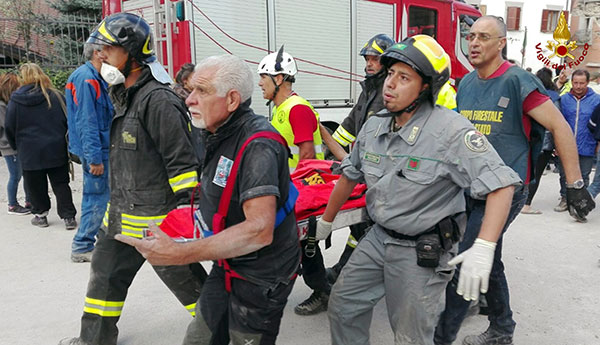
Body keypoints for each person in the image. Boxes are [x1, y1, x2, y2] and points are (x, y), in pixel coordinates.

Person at [314, 34, 521, 345]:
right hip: (378, 237)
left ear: (425, 87)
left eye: (404, 77)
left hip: (420, 251)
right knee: (343, 306)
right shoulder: (374, 127)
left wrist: (484, 247)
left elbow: (501, 186)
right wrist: (326, 222)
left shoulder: (450, 131)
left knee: (411, 336)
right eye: (390, 74)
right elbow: (350, 175)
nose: (390, 84)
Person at [117, 54, 301, 345]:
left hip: (262, 275)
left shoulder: (259, 145)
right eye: (191, 90)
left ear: (231, 100)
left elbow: (259, 230)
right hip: (228, 262)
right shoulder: (213, 131)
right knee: (199, 339)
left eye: (201, 91)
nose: (189, 100)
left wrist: (180, 254)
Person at [435, 16, 595, 345]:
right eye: (470, 36)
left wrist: (575, 185)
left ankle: (439, 339)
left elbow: (560, 128)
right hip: (471, 187)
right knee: (488, 256)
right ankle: (502, 329)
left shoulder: (517, 81)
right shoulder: (465, 84)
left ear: (501, 43)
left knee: (469, 259)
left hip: (507, 188)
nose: (474, 43)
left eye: (483, 37)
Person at [58, 13, 206, 345]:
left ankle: (228, 334)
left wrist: (183, 225)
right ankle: (93, 340)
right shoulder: (123, 95)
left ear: (132, 53)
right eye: (100, 49)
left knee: (194, 290)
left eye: (108, 49)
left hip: (158, 225)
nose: (101, 56)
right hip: (121, 218)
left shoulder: (159, 101)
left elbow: (183, 167)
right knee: (104, 279)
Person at [257, 47, 329, 315]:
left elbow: (307, 155)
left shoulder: (296, 109)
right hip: (287, 188)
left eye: (264, 77)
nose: (259, 83)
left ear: (279, 79)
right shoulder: (282, 109)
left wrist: (290, 191)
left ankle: (322, 291)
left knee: (302, 246)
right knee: (291, 245)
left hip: (300, 190)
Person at [318, 33, 395, 284]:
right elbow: (350, 126)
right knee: (359, 227)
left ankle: (350, 273)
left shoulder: (389, 92)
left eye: (375, 58)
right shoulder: (369, 90)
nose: (369, 63)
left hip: (381, 173)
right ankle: (346, 269)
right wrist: (330, 156)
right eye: (367, 58)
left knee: (368, 226)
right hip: (364, 169)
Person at [5, 63, 77, 229]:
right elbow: (67, 121)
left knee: (35, 186)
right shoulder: (54, 96)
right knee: (60, 184)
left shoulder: (16, 100)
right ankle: (68, 217)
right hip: (55, 148)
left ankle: (41, 215)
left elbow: (9, 126)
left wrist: (16, 146)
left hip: (29, 151)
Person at [64, 41, 114, 262]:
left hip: (97, 147)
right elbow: (87, 122)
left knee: (100, 196)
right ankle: (82, 245)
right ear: (97, 53)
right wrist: (94, 158)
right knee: (96, 197)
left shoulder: (91, 77)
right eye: (108, 50)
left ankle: (92, 241)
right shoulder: (87, 79)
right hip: (96, 150)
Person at [553, 69, 600, 219]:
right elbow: (557, 123)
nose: (578, 86)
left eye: (582, 83)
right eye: (575, 83)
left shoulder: (597, 100)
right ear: (571, 82)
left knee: (583, 176)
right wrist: (557, 144)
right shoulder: (564, 99)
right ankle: (565, 198)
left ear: (587, 83)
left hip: (587, 143)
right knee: (564, 174)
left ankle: (580, 203)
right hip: (566, 144)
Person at [520, 67, 560, 215]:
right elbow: (555, 123)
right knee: (536, 174)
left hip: (529, 140)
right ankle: (526, 204)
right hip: (545, 143)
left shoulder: (529, 93)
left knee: (527, 171)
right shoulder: (553, 98)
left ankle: (519, 201)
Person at [0, 72, 31, 215]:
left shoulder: (8, 103)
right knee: (15, 175)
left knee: (25, 173)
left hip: (17, 144)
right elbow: (8, 125)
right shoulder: (2, 106)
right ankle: (12, 204)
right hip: (9, 146)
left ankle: (29, 200)